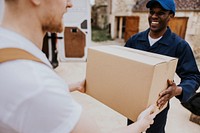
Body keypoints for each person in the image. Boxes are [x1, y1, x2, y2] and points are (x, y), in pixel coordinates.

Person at [0, 0, 157, 133]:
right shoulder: (37, 84)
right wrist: (140, 124)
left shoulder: (8, 46)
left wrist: (69, 86)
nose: (70, 4)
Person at [125, 0, 200, 132]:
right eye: (152, 12)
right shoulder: (135, 40)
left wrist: (177, 90)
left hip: (158, 107)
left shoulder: (179, 46)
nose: (154, 16)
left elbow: (193, 76)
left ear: (171, 16)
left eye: (161, 13)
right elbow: (122, 67)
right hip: (133, 103)